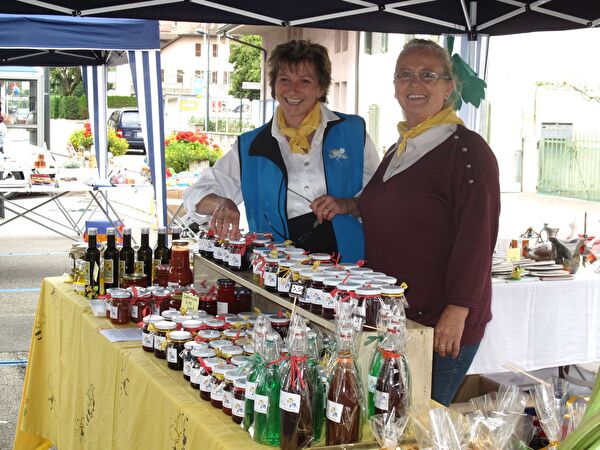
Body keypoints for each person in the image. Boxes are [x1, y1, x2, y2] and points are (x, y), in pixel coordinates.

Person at [358, 39, 501, 406]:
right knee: (389, 415)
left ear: (448, 87)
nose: (415, 83)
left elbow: (478, 237)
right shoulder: (400, 148)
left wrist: (458, 309)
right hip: (398, 317)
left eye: (427, 75)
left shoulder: (467, 151)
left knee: (419, 420)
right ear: (394, 86)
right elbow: (397, 210)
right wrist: (348, 205)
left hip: (440, 322)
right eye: (405, 74)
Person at [184, 40, 380, 262]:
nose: (293, 90)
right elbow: (195, 194)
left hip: (348, 265)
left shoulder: (353, 131)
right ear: (274, 86)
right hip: (276, 267)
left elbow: (379, 198)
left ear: (321, 88)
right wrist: (221, 203)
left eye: (304, 81)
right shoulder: (251, 146)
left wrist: (348, 204)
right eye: (284, 79)